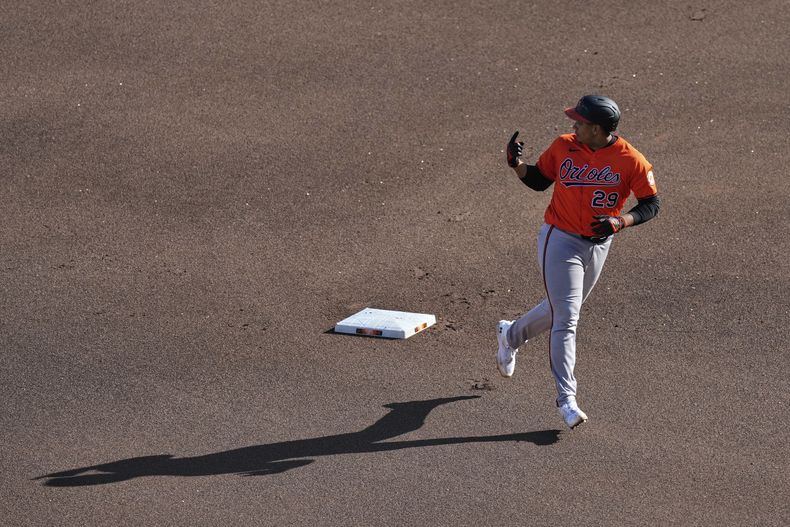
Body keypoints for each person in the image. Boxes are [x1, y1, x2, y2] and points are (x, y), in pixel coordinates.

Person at [498, 95, 660, 429]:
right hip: (560, 240)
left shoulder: (631, 160)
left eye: (580, 121)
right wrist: (517, 165)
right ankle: (566, 399)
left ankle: (511, 335)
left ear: (597, 129)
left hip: (599, 244)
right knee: (567, 318)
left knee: (561, 308)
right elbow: (540, 179)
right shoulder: (563, 146)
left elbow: (650, 204)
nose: (573, 125)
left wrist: (620, 222)